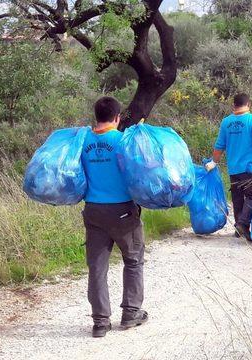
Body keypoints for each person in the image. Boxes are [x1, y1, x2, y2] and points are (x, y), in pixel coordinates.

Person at [81, 96, 148, 338]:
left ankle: (100, 322)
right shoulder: (123, 141)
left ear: (96, 116)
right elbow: (140, 173)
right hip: (122, 210)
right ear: (118, 118)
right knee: (133, 260)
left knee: (97, 267)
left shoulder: (83, 141)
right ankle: (131, 313)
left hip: (93, 210)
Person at [205, 93, 252, 241]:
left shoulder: (226, 122)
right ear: (249, 105)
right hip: (250, 169)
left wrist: (214, 162)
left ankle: (239, 229)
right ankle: (243, 224)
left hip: (234, 169)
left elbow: (219, 146)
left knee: (238, 198)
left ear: (234, 105)